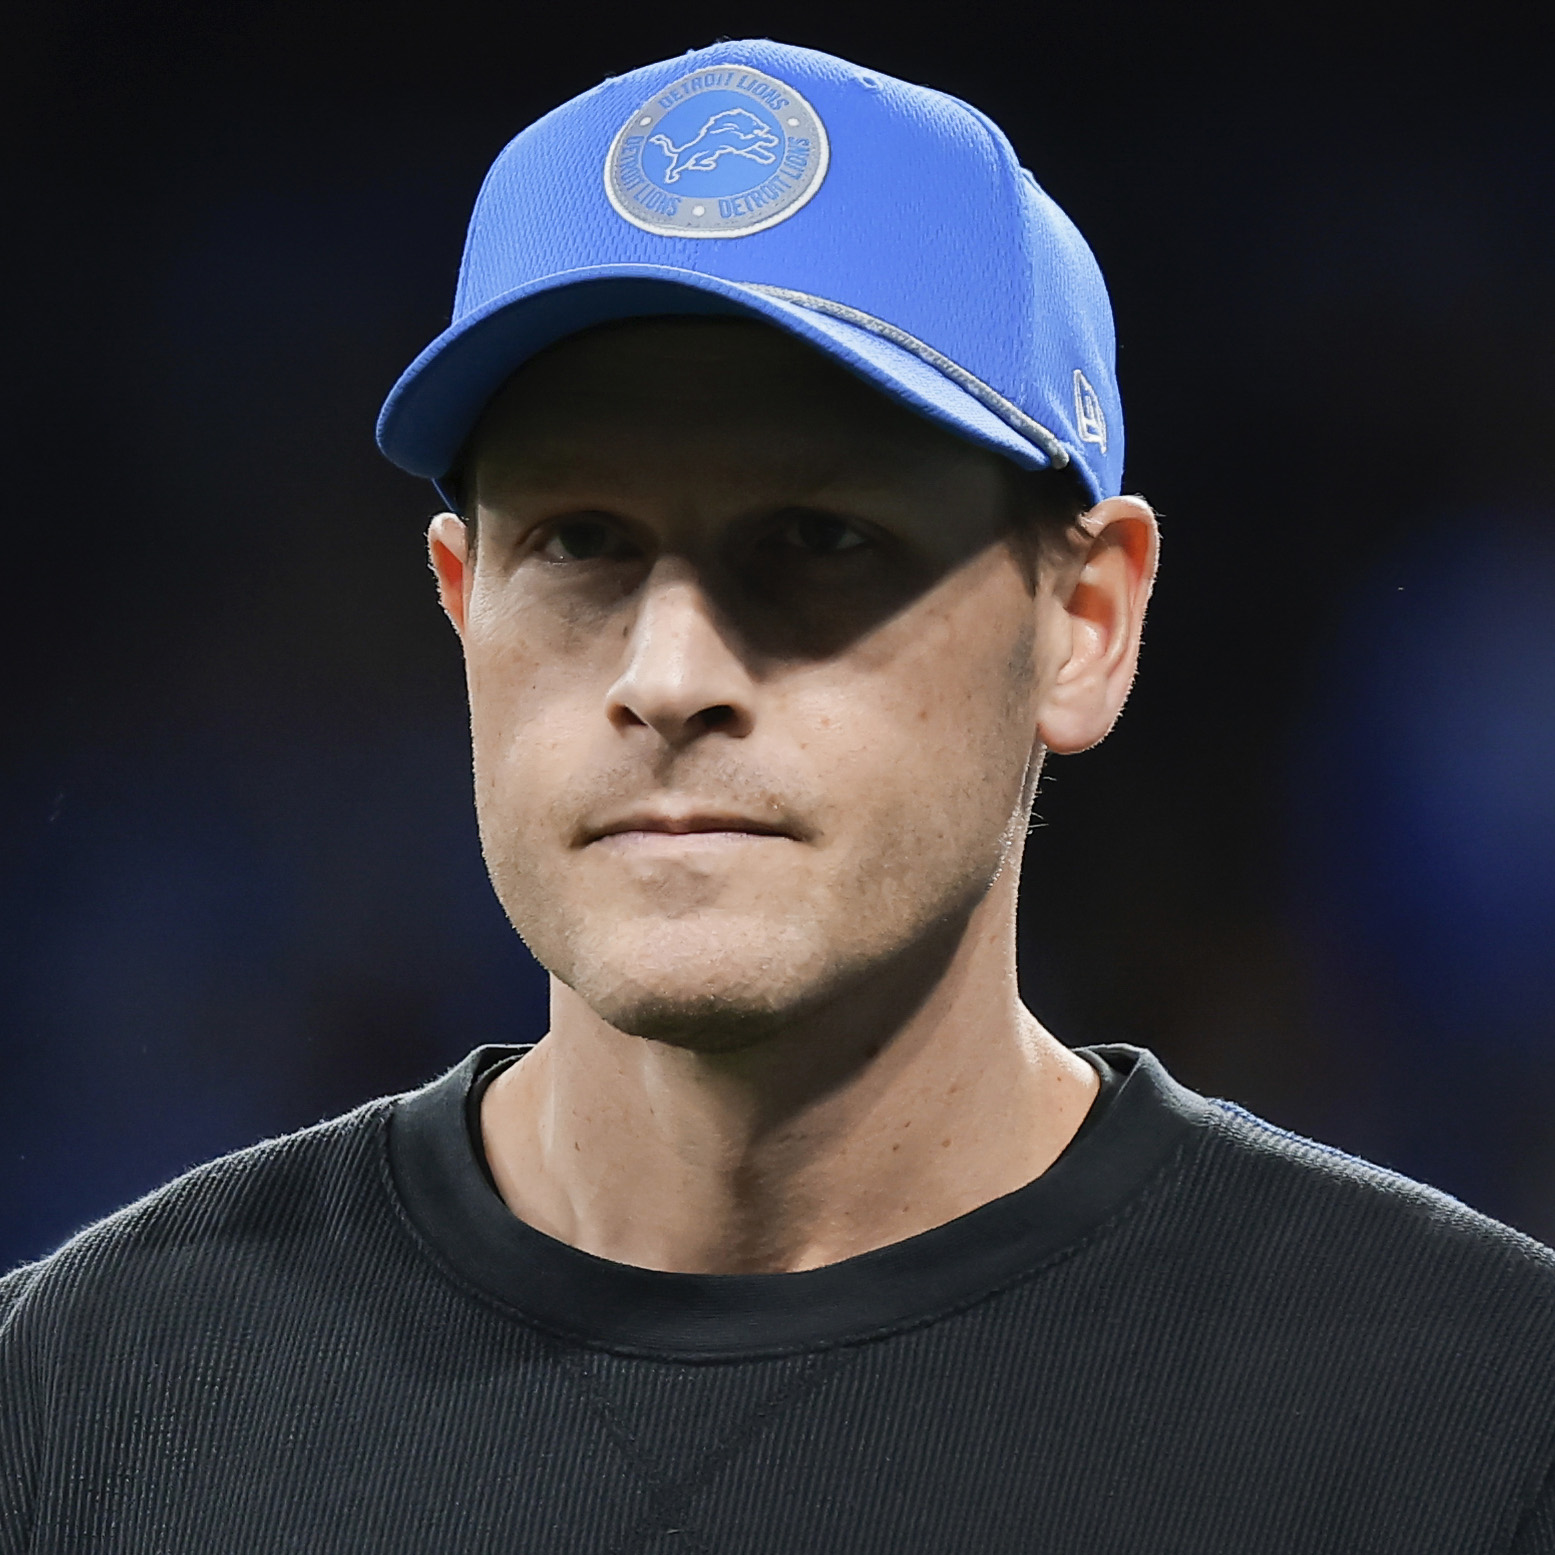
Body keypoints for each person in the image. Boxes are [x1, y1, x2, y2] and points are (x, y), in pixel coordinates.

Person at [3, 38, 1554, 1553]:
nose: (671, 672)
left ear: (1084, 624)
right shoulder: (81, 1405)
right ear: (462, 603)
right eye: (581, 543)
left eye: (820, 540)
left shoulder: (1477, 1425)